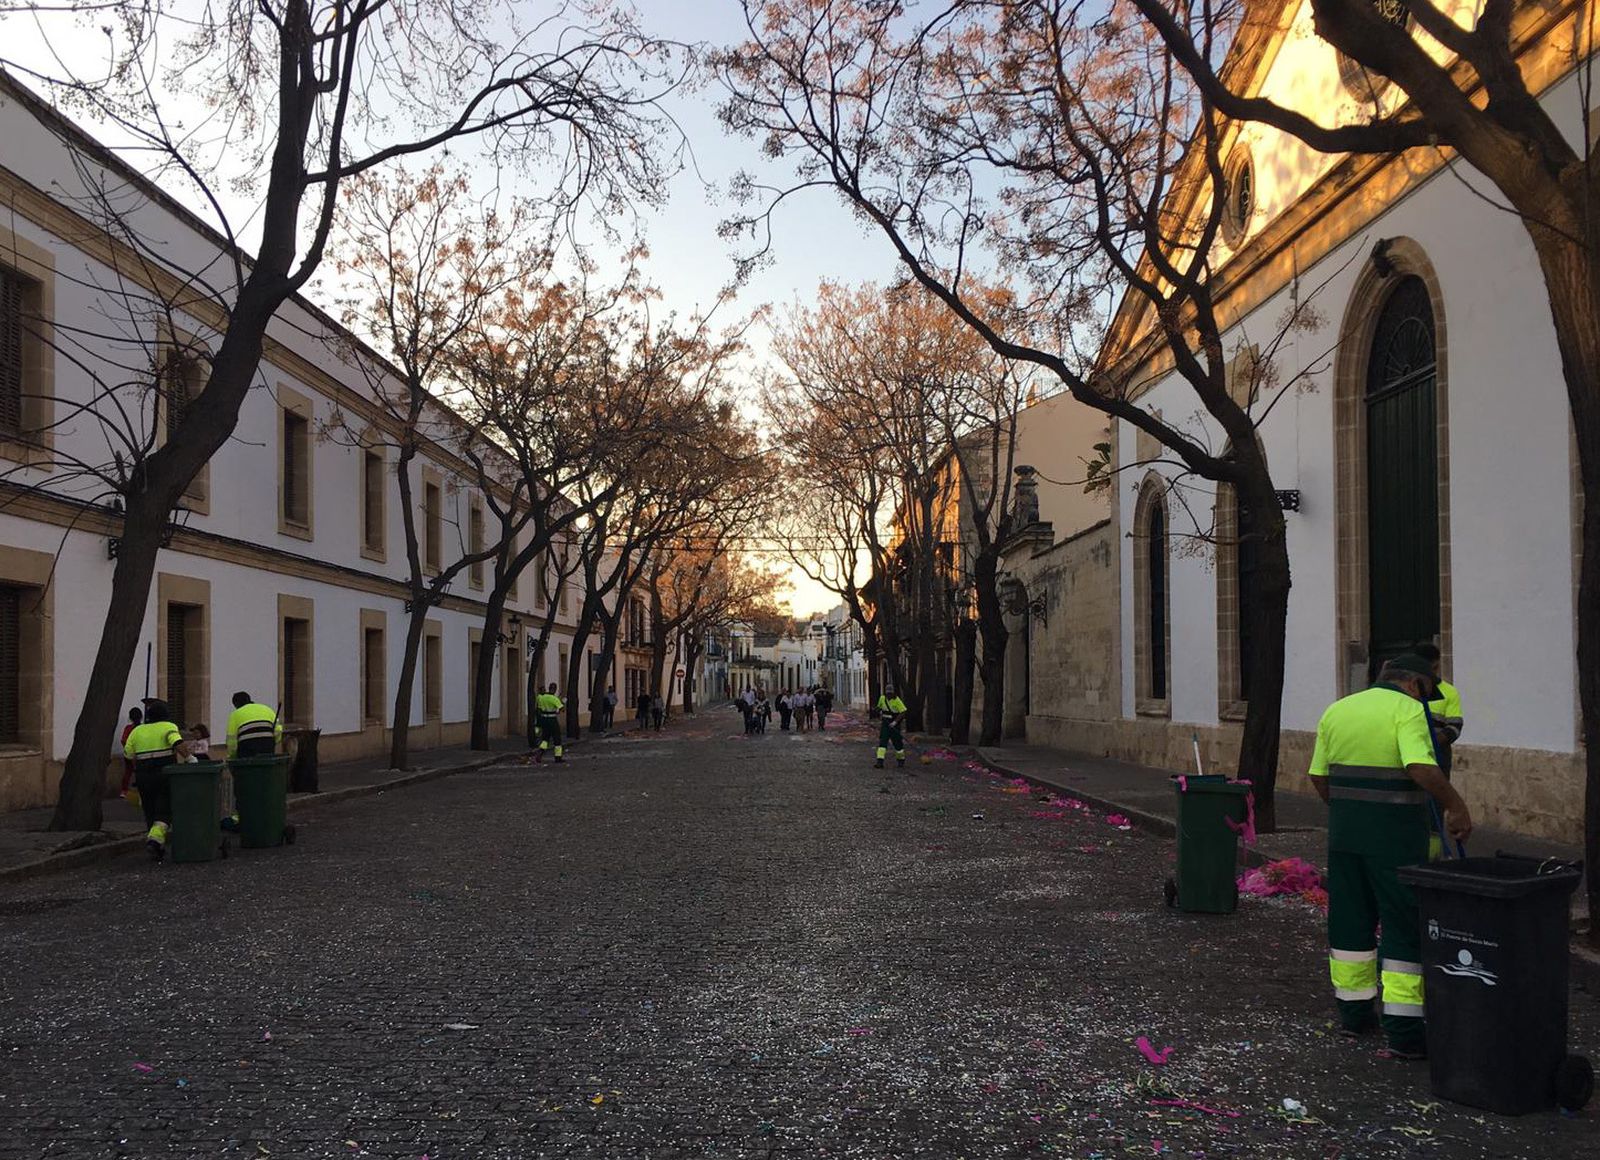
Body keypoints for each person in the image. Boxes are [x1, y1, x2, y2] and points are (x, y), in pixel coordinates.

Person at [1308, 653, 1473, 1060]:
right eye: (1427, 692)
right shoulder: (1407, 709)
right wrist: (1455, 805)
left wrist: (1348, 811)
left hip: (1345, 837)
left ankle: (1354, 1014)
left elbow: (1318, 775)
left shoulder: (1338, 709)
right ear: (1415, 684)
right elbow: (1420, 767)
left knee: (1350, 921)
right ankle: (1403, 1031)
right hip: (1395, 838)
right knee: (1401, 923)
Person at [123, 699, 191, 861]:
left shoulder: (137, 731)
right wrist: (190, 758)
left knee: (149, 808)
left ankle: (155, 842)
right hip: (164, 772)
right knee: (165, 808)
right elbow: (177, 743)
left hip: (142, 775)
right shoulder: (168, 727)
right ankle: (155, 840)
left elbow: (128, 754)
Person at [1412, 642, 1463, 776]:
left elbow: (1455, 726)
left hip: (1438, 756)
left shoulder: (1449, 692)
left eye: (1434, 668)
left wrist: (1431, 743)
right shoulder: (1406, 689)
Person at [226, 692, 282, 758]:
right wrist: (273, 741)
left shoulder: (235, 715)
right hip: (268, 748)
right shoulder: (266, 709)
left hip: (246, 752)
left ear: (236, 705)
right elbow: (278, 730)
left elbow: (231, 741)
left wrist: (233, 756)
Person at [875, 685, 907, 768]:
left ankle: (901, 760)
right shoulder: (882, 698)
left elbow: (903, 712)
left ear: (893, 693)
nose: (889, 695)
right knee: (883, 742)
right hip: (885, 724)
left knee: (897, 743)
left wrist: (895, 722)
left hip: (894, 724)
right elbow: (879, 707)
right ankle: (880, 761)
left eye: (890, 693)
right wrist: (878, 710)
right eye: (887, 693)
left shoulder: (897, 700)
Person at [534, 682, 565, 763]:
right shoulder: (554, 699)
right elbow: (562, 709)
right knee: (557, 739)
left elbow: (539, 709)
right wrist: (563, 703)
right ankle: (558, 757)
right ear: (555, 689)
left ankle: (540, 751)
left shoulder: (542, 698)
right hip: (552, 720)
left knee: (545, 738)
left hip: (544, 719)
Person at [118, 706, 142, 799]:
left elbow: (123, 740)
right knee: (140, 772)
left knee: (128, 772)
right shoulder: (142, 728)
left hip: (129, 754)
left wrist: (128, 750)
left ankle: (124, 791)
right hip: (140, 753)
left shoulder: (128, 728)